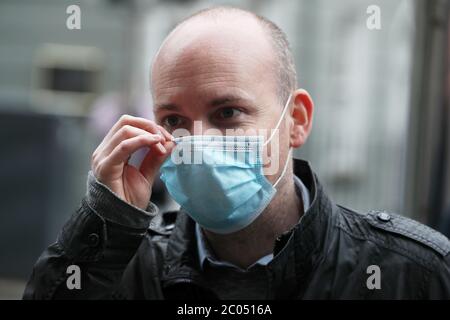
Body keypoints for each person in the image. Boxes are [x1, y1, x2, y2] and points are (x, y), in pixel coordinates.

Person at [24, 6, 450, 299]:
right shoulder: (125, 269)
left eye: (227, 112)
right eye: (173, 121)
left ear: (296, 120)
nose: (199, 142)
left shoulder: (411, 272)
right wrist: (102, 229)